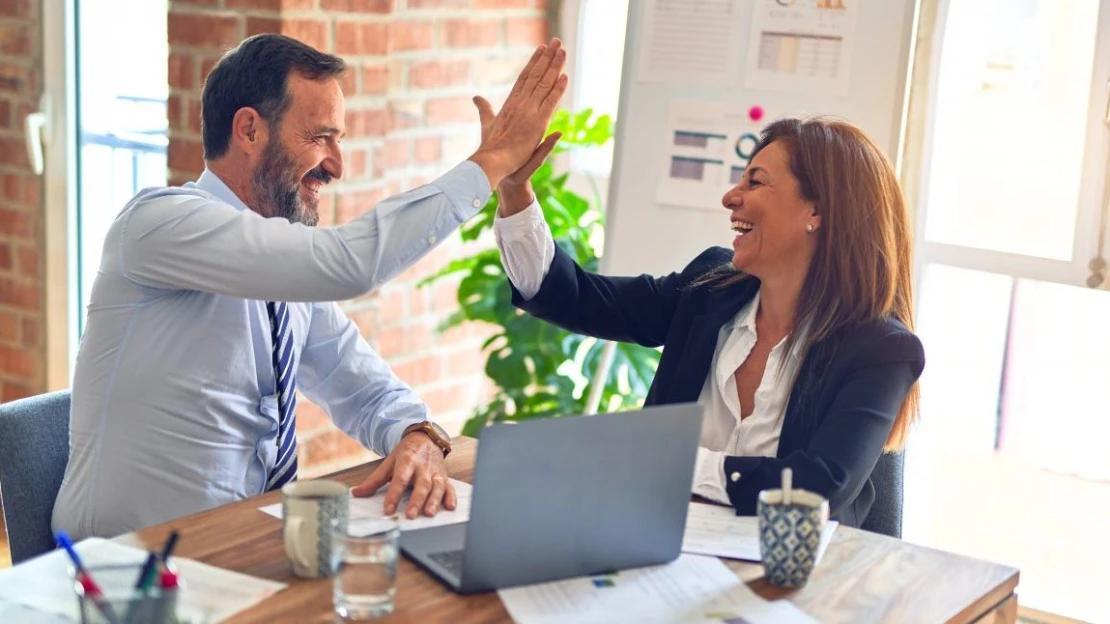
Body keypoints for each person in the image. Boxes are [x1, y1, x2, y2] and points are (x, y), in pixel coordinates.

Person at [53, 33, 568, 540]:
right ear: (250, 130)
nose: (337, 165)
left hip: (242, 549)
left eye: (338, 140)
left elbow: (361, 384)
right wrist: (493, 161)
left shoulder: (283, 272)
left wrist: (417, 434)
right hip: (124, 572)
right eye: (321, 137)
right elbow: (351, 264)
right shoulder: (159, 224)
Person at [493, 117, 925, 527]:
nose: (730, 197)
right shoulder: (710, 290)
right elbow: (576, 298)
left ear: (816, 211)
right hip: (660, 548)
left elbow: (816, 489)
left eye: (755, 181)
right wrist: (514, 190)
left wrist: (673, 462)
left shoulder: (881, 350)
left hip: (795, 582)